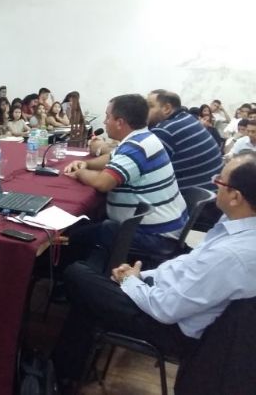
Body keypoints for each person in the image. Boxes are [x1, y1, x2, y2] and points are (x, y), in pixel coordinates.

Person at [52, 153, 256, 389]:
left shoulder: (232, 255)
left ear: (236, 197)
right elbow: (186, 265)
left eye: (220, 181)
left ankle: (64, 372)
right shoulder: (234, 229)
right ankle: (67, 371)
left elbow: (166, 309)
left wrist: (130, 282)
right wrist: (143, 276)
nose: (214, 183)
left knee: (77, 274)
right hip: (169, 299)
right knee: (90, 290)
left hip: (170, 327)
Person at [63, 94, 187, 268]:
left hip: (155, 236)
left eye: (108, 117)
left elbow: (103, 183)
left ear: (120, 122)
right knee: (90, 225)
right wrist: (86, 163)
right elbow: (111, 158)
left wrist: (81, 173)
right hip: (166, 226)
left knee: (73, 235)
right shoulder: (143, 138)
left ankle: (69, 280)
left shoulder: (136, 148)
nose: (105, 122)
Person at [147, 90, 222, 191]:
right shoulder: (188, 118)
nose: (144, 110)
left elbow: (143, 173)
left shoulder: (165, 131)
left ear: (167, 108)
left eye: (150, 106)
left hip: (196, 201)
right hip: (213, 191)